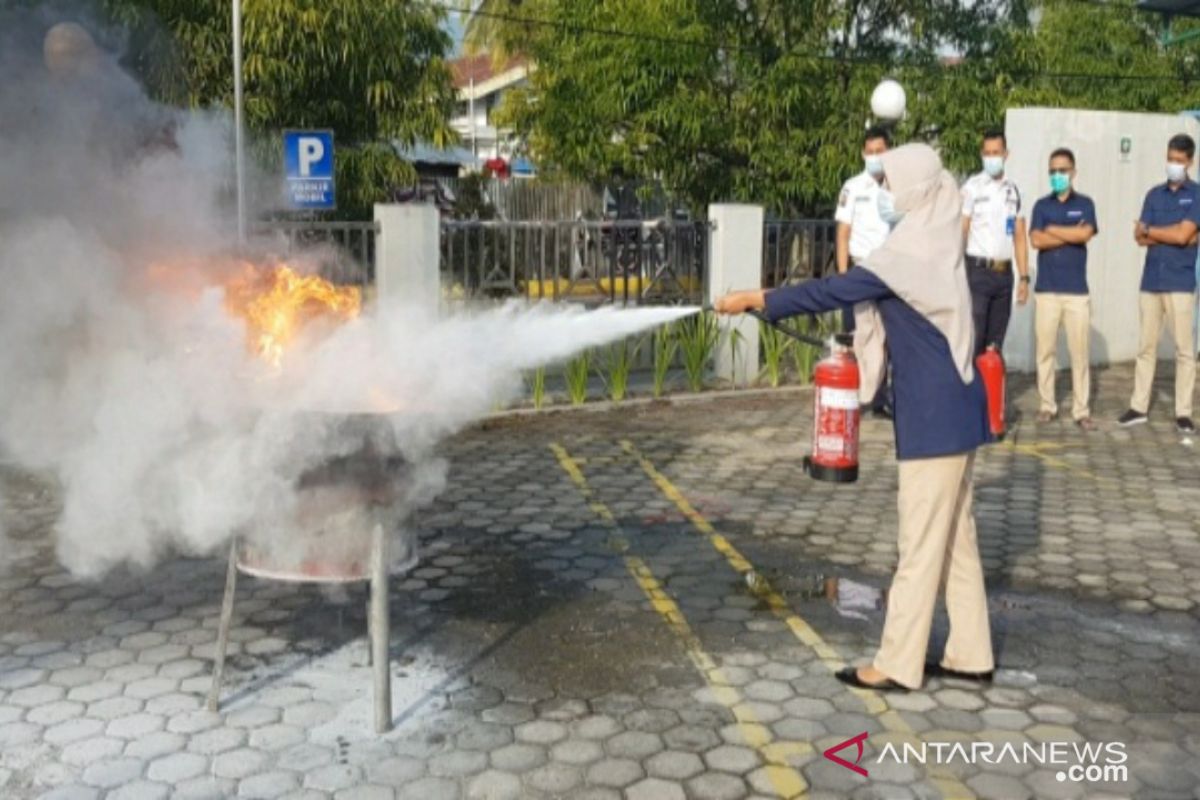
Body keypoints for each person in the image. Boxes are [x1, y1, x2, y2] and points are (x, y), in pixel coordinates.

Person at [715, 144, 993, 691]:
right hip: (960, 409)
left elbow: (832, 290)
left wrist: (755, 298)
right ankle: (970, 652)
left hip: (935, 421)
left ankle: (896, 665)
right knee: (957, 538)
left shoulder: (905, 254)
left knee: (918, 547)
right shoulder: (937, 237)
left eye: (891, 184)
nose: (886, 194)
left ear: (915, 189)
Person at [1119, 134, 1199, 434]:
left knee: (1184, 350)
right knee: (1146, 347)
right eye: (1170, 159)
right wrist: (1175, 233)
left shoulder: (1197, 195)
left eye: (1179, 161)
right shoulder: (1154, 195)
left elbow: (1183, 235)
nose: (1173, 165)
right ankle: (1138, 406)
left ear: (1190, 161)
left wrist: (1154, 230)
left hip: (1180, 280)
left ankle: (1183, 412)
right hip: (1151, 279)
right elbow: (1139, 238)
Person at [1028, 148, 1098, 430]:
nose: (1058, 175)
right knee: (1045, 351)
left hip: (1076, 293)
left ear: (1073, 172)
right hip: (1047, 290)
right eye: (1053, 171)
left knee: (1079, 353)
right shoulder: (1041, 206)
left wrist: (1053, 230)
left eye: (1062, 170)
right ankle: (1047, 405)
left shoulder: (1086, 204)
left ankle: (1081, 410)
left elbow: (1086, 234)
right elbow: (1036, 240)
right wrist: (1068, 232)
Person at [835, 126, 894, 416]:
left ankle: (879, 398)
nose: (874, 157)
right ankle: (853, 395)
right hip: (860, 269)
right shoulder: (853, 187)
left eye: (879, 152)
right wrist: (843, 274)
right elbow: (843, 233)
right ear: (862, 154)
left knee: (887, 337)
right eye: (869, 152)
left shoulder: (898, 187)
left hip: (889, 270)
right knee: (856, 335)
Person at [961, 129, 1030, 354]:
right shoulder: (972, 188)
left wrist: (1024, 278)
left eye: (996, 152)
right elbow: (962, 230)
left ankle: (992, 389)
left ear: (1006, 154)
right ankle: (971, 389)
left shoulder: (1014, 190)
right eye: (987, 153)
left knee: (995, 343)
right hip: (978, 273)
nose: (992, 158)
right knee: (975, 339)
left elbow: (1020, 237)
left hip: (1003, 275)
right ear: (982, 154)